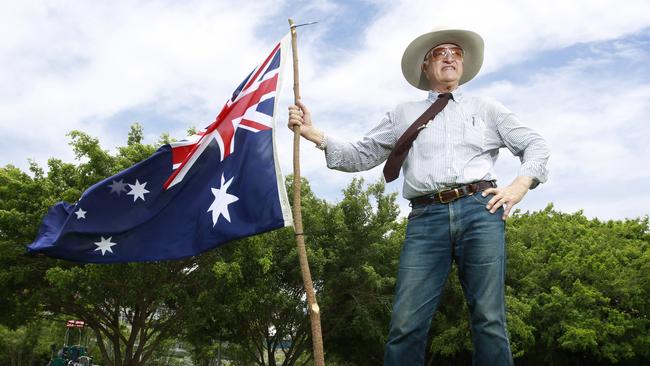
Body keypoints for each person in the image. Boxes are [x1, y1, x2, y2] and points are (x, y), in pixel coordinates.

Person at [288, 27, 549, 366]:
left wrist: (520, 185)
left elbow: (536, 145)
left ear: (463, 64)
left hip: (480, 210)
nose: (450, 57)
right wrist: (312, 133)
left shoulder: (487, 108)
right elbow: (361, 154)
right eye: (440, 53)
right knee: (406, 322)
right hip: (426, 219)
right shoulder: (403, 114)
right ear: (426, 67)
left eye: (456, 52)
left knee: (489, 319)